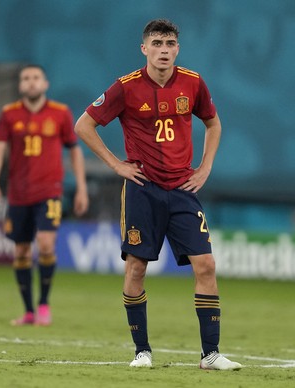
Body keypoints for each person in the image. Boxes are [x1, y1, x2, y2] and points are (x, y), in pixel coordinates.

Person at [74, 19, 241, 370]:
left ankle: (210, 355)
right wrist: (117, 165)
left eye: (169, 43)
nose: (164, 50)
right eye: (157, 43)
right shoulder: (126, 87)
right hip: (142, 189)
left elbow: (213, 122)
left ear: (177, 48)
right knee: (136, 268)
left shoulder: (193, 83)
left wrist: (206, 167)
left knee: (206, 265)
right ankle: (142, 351)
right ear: (144, 49)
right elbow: (83, 125)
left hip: (182, 189)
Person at [0, 64, 89, 326]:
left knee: (45, 244)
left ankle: (44, 303)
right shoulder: (9, 114)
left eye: (36, 78)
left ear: (45, 84)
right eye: (26, 79)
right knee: (21, 251)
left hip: (49, 191)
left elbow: (74, 151)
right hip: (19, 194)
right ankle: (28, 310)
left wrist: (81, 186)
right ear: (21, 86)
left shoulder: (60, 113)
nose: (31, 83)